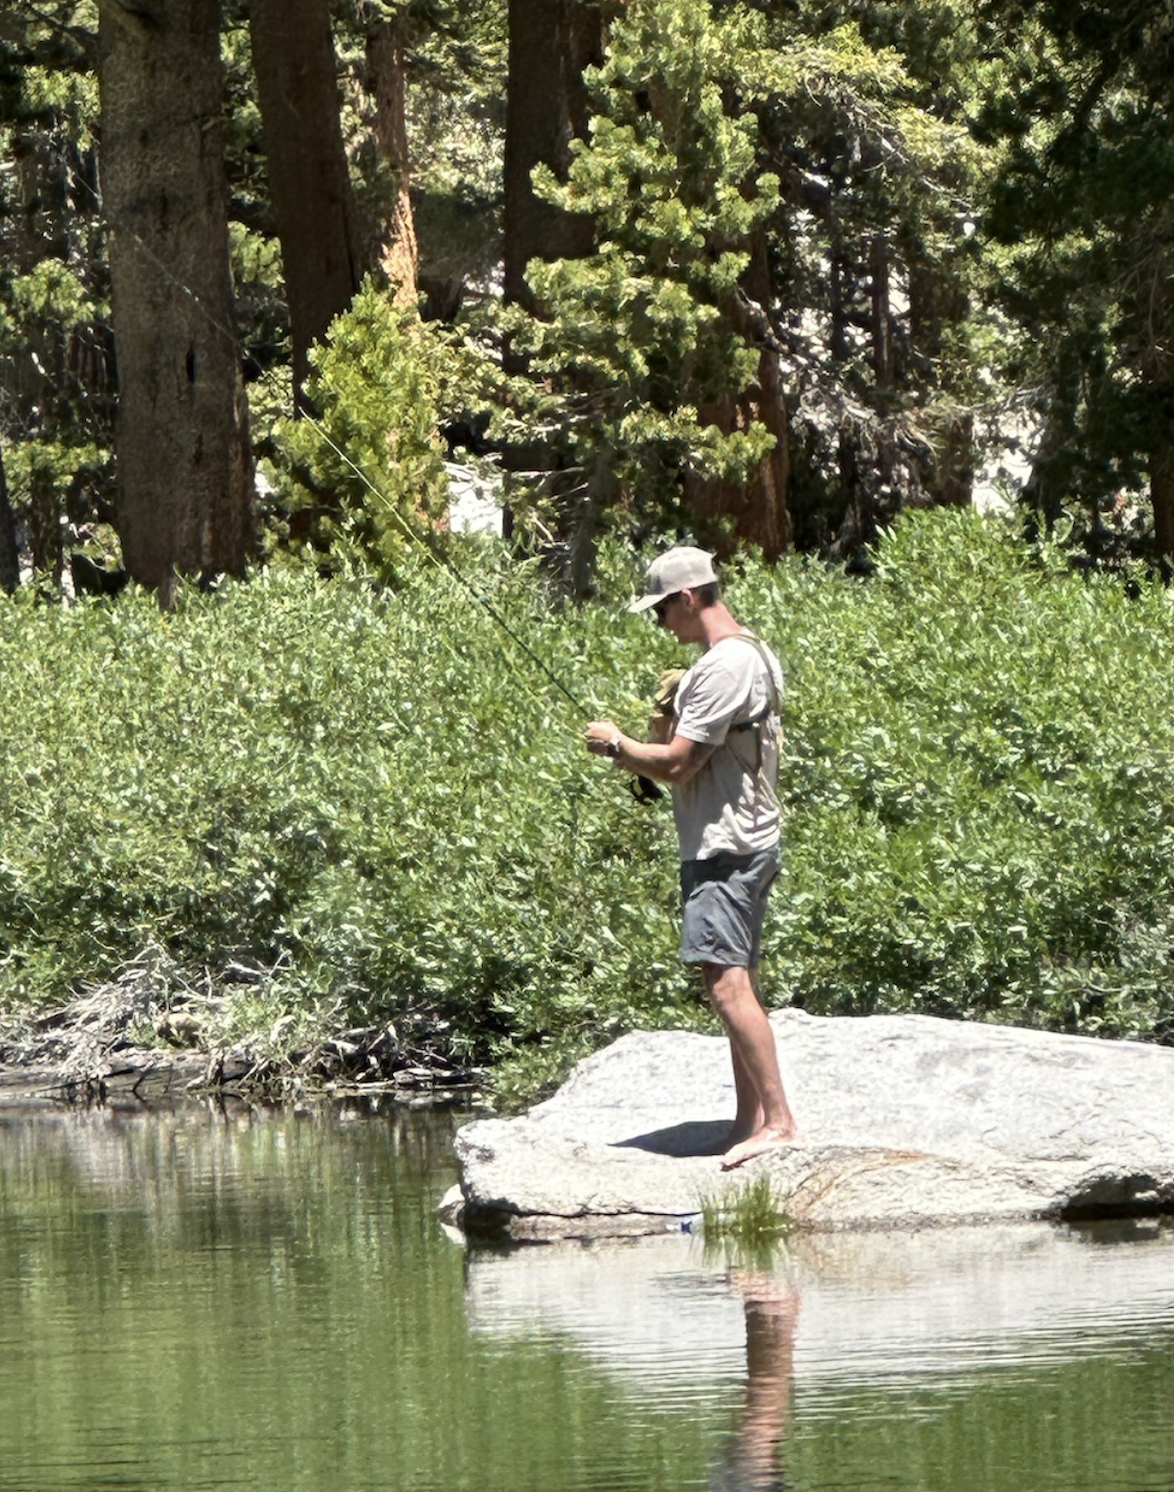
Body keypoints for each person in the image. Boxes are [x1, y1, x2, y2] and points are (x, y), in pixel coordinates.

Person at [586, 546, 797, 1169]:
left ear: (687, 598)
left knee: (727, 988)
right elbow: (693, 752)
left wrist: (618, 747)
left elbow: (679, 765)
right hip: (751, 839)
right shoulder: (751, 651)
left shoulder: (721, 667)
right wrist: (663, 726)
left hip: (724, 848)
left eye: (661, 610)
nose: (659, 623)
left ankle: (779, 1122)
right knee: (741, 981)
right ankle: (746, 1123)